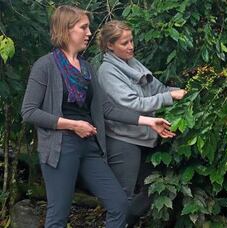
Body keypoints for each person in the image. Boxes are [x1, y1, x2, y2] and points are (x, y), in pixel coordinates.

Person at [21, 6, 174, 228]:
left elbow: (107, 109)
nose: (89, 33)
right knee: (58, 215)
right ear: (65, 30)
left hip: (90, 147)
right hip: (61, 147)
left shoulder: (87, 69)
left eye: (88, 27)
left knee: (119, 204)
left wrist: (149, 121)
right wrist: (72, 125)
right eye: (83, 27)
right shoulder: (45, 66)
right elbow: (29, 111)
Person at [96, 20, 187, 225]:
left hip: (145, 137)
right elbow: (131, 103)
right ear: (110, 45)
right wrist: (171, 97)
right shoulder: (107, 71)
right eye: (124, 43)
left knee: (154, 190)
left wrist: (187, 93)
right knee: (122, 197)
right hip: (123, 140)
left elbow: (160, 89)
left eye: (131, 40)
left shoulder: (133, 63)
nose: (131, 46)